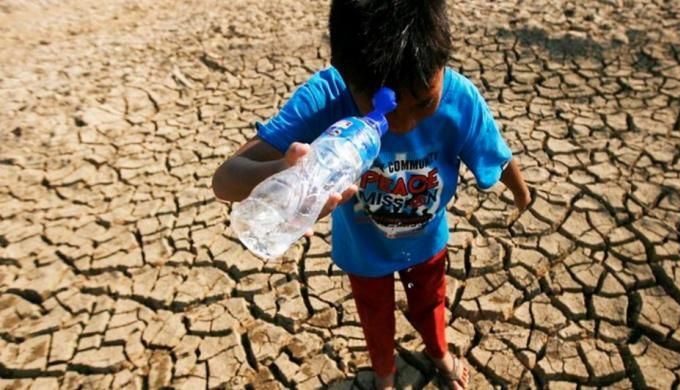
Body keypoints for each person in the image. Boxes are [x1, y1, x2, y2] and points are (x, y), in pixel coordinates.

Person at [212, 0, 532, 388]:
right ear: (347, 76)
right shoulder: (328, 96)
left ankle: (438, 353)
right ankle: (384, 372)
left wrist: (521, 194)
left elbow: (495, 151)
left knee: (430, 305)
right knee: (374, 314)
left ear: (443, 62)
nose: (403, 123)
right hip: (363, 250)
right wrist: (284, 171)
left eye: (424, 102)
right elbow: (226, 179)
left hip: (428, 243)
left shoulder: (459, 98)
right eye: (386, 108)